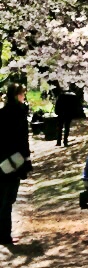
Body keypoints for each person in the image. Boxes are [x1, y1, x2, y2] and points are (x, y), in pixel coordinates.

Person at [0, 84, 31, 245]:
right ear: (17, 95)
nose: (24, 97)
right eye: (22, 94)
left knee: (2, 197)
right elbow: (23, 139)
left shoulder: (2, 112)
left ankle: (3, 233)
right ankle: (4, 235)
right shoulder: (19, 113)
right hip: (15, 160)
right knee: (8, 199)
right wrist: (26, 160)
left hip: (1, 159)